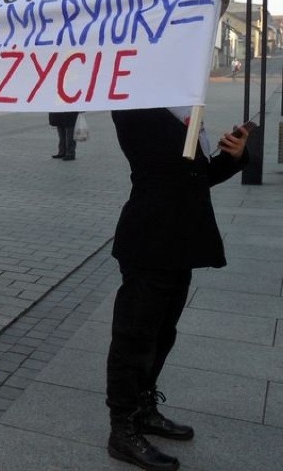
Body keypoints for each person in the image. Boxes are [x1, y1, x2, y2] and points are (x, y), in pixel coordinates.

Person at [105, 108, 250, 470]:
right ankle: (122, 429)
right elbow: (164, 172)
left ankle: (143, 408)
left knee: (161, 334)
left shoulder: (187, 108)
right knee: (134, 337)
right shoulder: (136, 104)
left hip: (181, 241)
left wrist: (235, 156)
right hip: (149, 238)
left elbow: (197, 176)